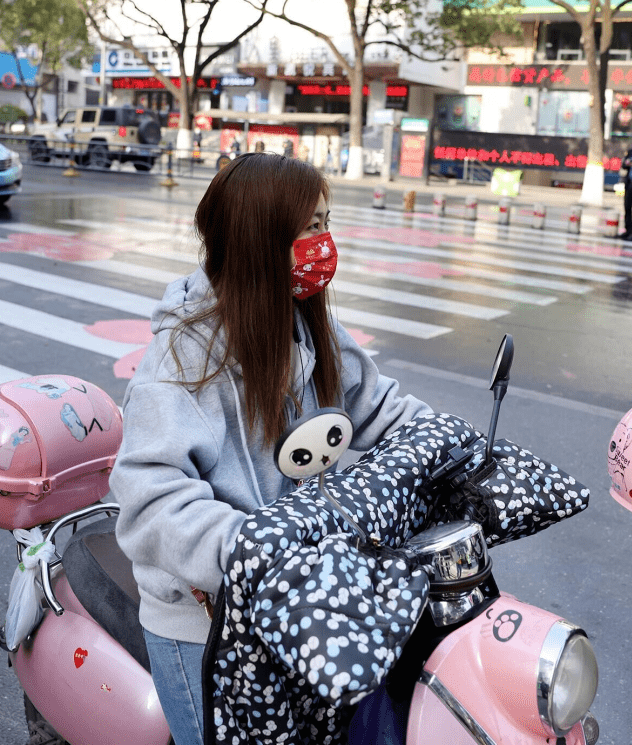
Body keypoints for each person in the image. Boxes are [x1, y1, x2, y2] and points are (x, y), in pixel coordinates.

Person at [109, 154, 431, 745]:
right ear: (259, 238)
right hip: (206, 622)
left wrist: (451, 448)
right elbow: (150, 501)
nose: (324, 243)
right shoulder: (184, 359)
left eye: (326, 224)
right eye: (309, 228)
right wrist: (252, 549)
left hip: (304, 601)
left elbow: (380, 407)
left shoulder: (307, 327)